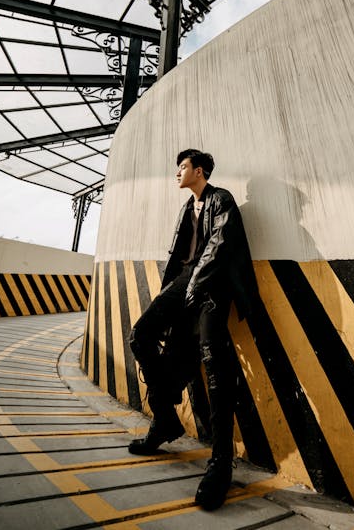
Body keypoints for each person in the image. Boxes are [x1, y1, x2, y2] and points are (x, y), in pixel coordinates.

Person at [129, 148, 258, 511]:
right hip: (186, 284)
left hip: (213, 287)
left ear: (199, 171)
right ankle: (166, 419)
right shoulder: (188, 208)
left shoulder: (221, 199)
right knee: (140, 335)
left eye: (182, 168)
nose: (177, 173)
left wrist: (194, 286)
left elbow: (219, 247)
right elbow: (178, 259)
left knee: (214, 363)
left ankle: (221, 461)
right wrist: (177, 292)